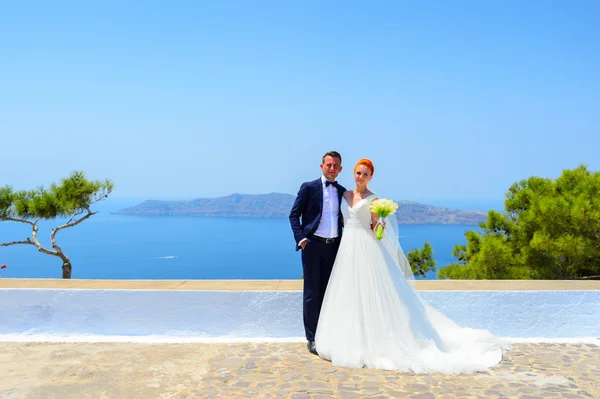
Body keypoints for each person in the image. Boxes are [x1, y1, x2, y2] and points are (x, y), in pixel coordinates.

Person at [315, 158, 511, 374]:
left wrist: (381, 224)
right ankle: (348, 338)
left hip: (366, 247)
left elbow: (375, 226)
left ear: (370, 177)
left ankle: (373, 341)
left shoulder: (374, 199)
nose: (360, 177)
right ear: (353, 174)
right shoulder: (344, 195)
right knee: (349, 292)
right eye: (358, 173)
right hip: (347, 248)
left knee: (371, 291)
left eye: (365, 174)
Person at [289, 151, 347, 355]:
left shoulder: (342, 191)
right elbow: (294, 215)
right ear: (321, 166)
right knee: (312, 294)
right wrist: (302, 240)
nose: (332, 169)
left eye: (335, 166)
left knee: (329, 293)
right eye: (328, 165)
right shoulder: (309, 187)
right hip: (313, 246)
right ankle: (312, 338)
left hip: (334, 247)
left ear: (340, 169)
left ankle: (327, 333)